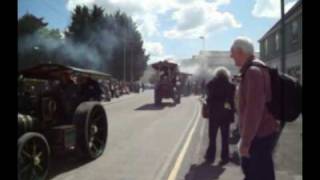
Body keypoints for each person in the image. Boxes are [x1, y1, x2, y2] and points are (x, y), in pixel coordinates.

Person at [230, 37, 279, 180]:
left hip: (259, 136)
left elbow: (254, 111)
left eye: (232, 52)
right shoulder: (255, 69)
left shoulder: (253, 72)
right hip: (262, 133)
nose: (230, 56)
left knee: (256, 174)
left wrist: (245, 143)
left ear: (240, 52)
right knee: (261, 173)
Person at [205, 66, 235, 166]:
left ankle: (210, 156)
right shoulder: (231, 86)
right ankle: (224, 157)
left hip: (214, 113)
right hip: (225, 113)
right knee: (225, 137)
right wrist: (231, 116)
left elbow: (208, 99)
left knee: (212, 137)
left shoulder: (211, 84)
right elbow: (231, 102)